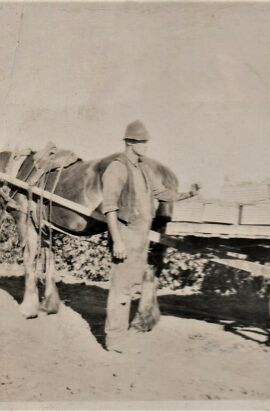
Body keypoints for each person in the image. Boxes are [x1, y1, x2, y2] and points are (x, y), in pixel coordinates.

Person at [100, 120, 199, 353]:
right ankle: (114, 339)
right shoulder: (117, 168)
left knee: (129, 286)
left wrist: (188, 194)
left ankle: (118, 335)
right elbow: (109, 208)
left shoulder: (143, 168)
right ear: (129, 142)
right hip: (125, 236)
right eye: (142, 142)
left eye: (146, 142)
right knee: (120, 289)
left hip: (140, 238)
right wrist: (117, 241)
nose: (146, 146)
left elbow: (161, 193)